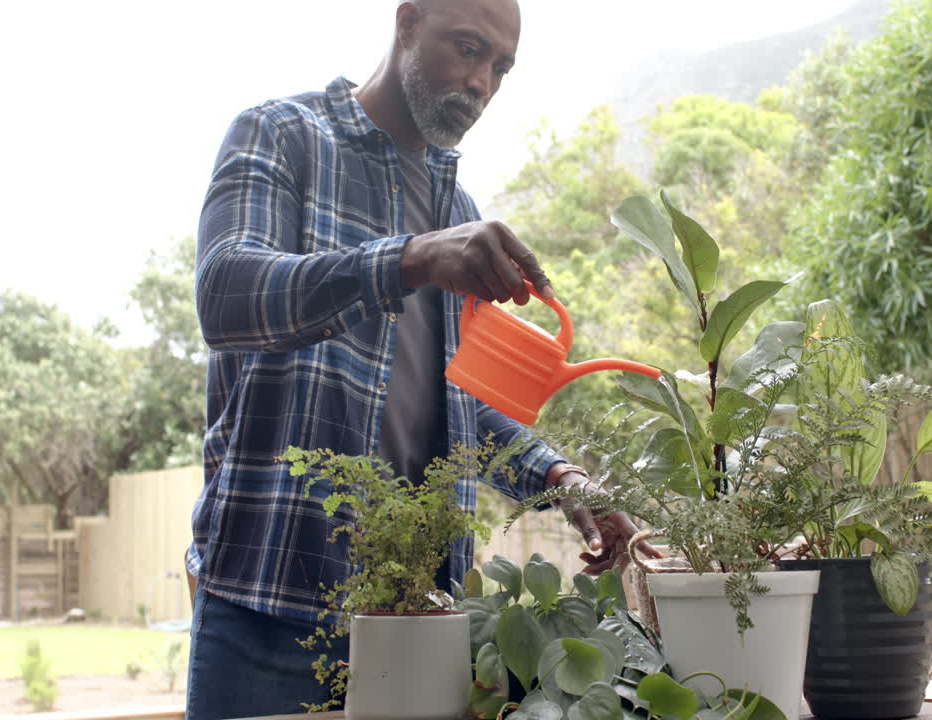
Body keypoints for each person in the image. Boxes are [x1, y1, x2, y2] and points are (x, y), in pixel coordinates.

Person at [184, 1, 660, 718]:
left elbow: (455, 406)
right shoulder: (282, 135)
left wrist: (560, 477)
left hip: (423, 615)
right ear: (407, 24)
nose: (482, 84)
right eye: (468, 49)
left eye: (500, 67)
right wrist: (408, 260)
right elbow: (225, 296)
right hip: (271, 602)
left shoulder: (456, 208)